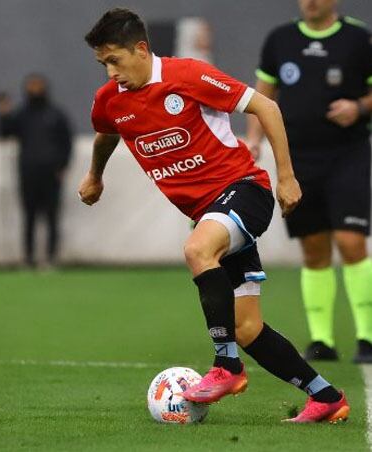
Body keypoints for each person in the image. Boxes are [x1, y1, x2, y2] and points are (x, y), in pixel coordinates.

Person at [78, 8, 349, 423]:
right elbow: (106, 131)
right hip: (209, 212)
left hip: (244, 191)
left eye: (115, 59)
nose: (110, 71)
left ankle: (227, 367)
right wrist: (95, 175)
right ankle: (325, 396)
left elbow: (267, 108)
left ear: (141, 49)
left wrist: (287, 177)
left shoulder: (187, 76)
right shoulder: (110, 101)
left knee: (197, 249)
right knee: (247, 328)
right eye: (103, 64)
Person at [246, 0, 372, 363]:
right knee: (314, 248)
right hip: (298, 159)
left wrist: (359, 108)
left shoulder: (358, 38)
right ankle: (322, 341)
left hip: (347, 155)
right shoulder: (280, 40)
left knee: (351, 242)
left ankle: (366, 337)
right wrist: (253, 138)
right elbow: (262, 95)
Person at [0, 74, 73, 268]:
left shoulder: (56, 114)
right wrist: (3, 112)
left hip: (51, 173)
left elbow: (67, 143)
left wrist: (63, 166)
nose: (35, 90)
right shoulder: (22, 115)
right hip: (28, 172)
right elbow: (4, 133)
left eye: (38, 86)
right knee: (29, 216)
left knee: (52, 216)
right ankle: (28, 258)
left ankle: (51, 258)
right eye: (32, 86)